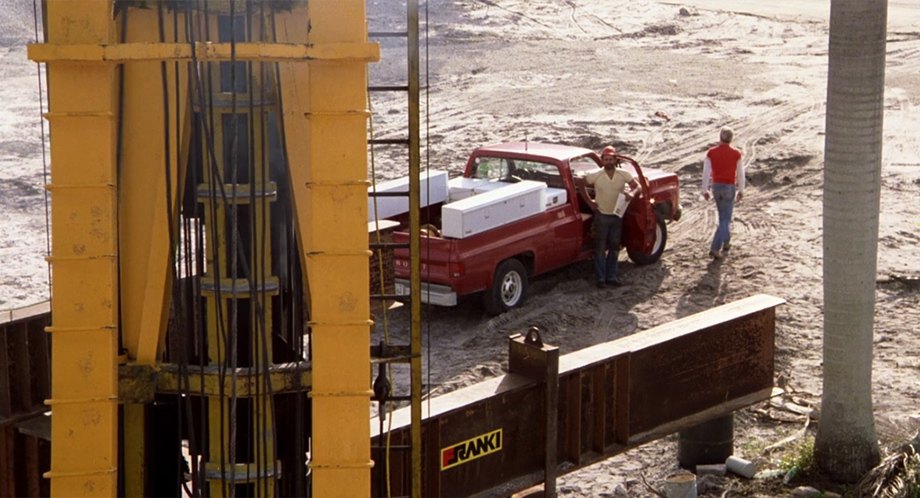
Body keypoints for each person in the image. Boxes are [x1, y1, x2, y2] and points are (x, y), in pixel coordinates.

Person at [580, 146, 641, 288]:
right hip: (602, 215)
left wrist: (632, 194)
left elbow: (637, 186)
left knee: (614, 247)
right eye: (606, 159)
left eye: (611, 159)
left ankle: (612, 276)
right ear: (602, 160)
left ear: (615, 159)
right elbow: (581, 183)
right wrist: (590, 202)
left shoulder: (623, 174)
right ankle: (601, 279)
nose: (608, 161)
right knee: (600, 248)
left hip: (617, 216)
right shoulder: (596, 174)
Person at [701, 126, 745, 259]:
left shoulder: (711, 153)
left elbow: (706, 173)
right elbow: (740, 174)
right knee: (725, 218)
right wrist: (741, 190)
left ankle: (726, 242)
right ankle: (716, 247)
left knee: (723, 216)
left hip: (716, 186)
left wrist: (705, 189)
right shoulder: (736, 154)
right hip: (729, 187)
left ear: (720, 137)